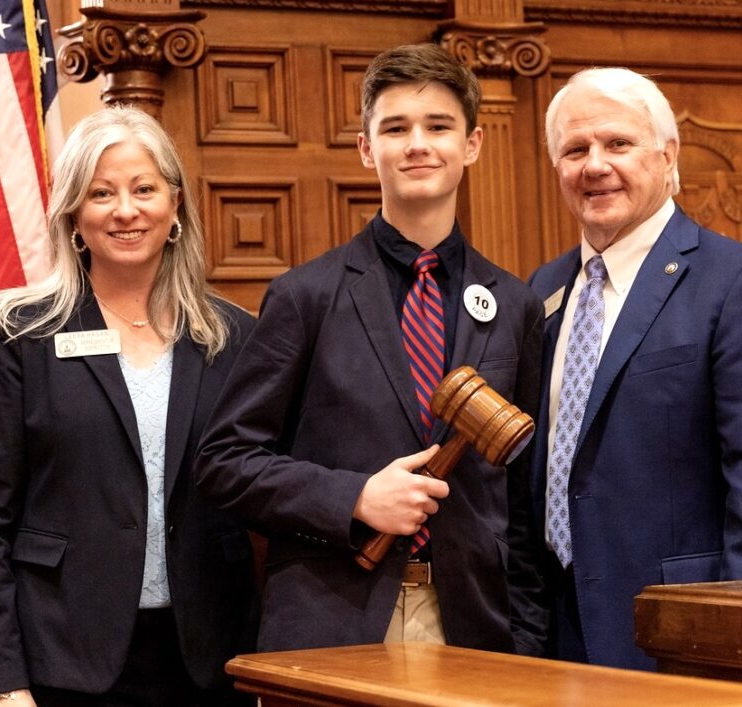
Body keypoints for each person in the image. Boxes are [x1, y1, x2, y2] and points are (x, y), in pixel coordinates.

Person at [195, 43, 547, 655]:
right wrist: (353, 498)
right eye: (395, 128)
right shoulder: (305, 295)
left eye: (438, 126)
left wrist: (530, 641)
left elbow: (522, 500)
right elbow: (225, 463)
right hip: (334, 622)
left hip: (475, 630)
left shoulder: (514, 305)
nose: (418, 144)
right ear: (366, 148)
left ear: (472, 145)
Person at [0, 106, 258, 707]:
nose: (126, 210)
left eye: (144, 188)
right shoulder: (22, 334)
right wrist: (0, 684)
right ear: (73, 215)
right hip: (63, 656)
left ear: (174, 207)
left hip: (208, 656)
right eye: (101, 193)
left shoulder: (233, 336)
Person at [528, 67, 742, 671]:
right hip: (552, 633)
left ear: (667, 155)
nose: (594, 165)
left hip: (682, 634)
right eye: (574, 150)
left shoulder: (741, 282)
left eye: (618, 143)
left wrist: (738, 643)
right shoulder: (544, 291)